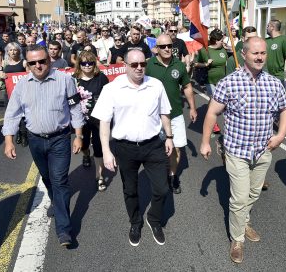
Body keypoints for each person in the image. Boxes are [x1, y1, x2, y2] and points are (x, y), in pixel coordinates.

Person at [200, 37, 286, 264]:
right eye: (255, 53)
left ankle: (243, 220)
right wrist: (205, 141)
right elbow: (212, 113)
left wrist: (280, 135)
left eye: (263, 53)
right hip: (236, 150)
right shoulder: (229, 83)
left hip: (263, 150)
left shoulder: (273, 83)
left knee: (254, 193)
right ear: (244, 54)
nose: (260, 57)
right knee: (240, 197)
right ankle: (237, 238)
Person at [2, 44, 84, 246]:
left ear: (49, 60)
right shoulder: (22, 85)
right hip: (35, 140)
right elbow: (12, 113)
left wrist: (79, 135)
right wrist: (8, 141)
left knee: (60, 180)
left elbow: (75, 109)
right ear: (27, 64)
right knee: (47, 177)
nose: (38, 65)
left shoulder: (65, 80)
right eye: (33, 63)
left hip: (60, 138)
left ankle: (64, 230)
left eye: (42, 61)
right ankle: (56, 201)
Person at [91, 49, 173, 247]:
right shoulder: (112, 89)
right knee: (130, 189)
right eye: (134, 65)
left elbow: (164, 113)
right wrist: (106, 151)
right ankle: (135, 222)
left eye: (143, 64)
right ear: (125, 65)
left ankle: (153, 220)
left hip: (153, 145)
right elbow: (104, 121)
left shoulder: (156, 85)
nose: (139, 68)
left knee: (162, 189)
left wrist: (169, 136)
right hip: (125, 147)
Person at [145, 34, 197, 194]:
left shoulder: (179, 65)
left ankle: (172, 176)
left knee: (177, 148)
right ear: (157, 49)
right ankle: (159, 175)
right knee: (156, 149)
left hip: (175, 114)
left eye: (169, 46)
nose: (167, 49)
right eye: (163, 47)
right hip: (153, 116)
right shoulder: (148, 65)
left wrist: (193, 107)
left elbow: (187, 87)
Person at [73, 51, 110, 190]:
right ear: (79, 64)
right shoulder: (73, 79)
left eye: (90, 63)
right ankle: (86, 154)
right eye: (84, 63)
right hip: (81, 120)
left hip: (98, 119)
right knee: (84, 145)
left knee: (99, 147)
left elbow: (109, 96)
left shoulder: (101, 77)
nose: (87, 66)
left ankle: (99, 177)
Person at [196, 29, 228, 133]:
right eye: (221, 40)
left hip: (223, 81)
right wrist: (205, 64)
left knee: (220, 102)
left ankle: (211, 115)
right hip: (210, 80)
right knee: (215, 100)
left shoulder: (223, 49)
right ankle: (212, 122)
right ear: (216, 40)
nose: (223, 42)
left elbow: (227, 61)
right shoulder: (204, 50)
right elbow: (195, 63)